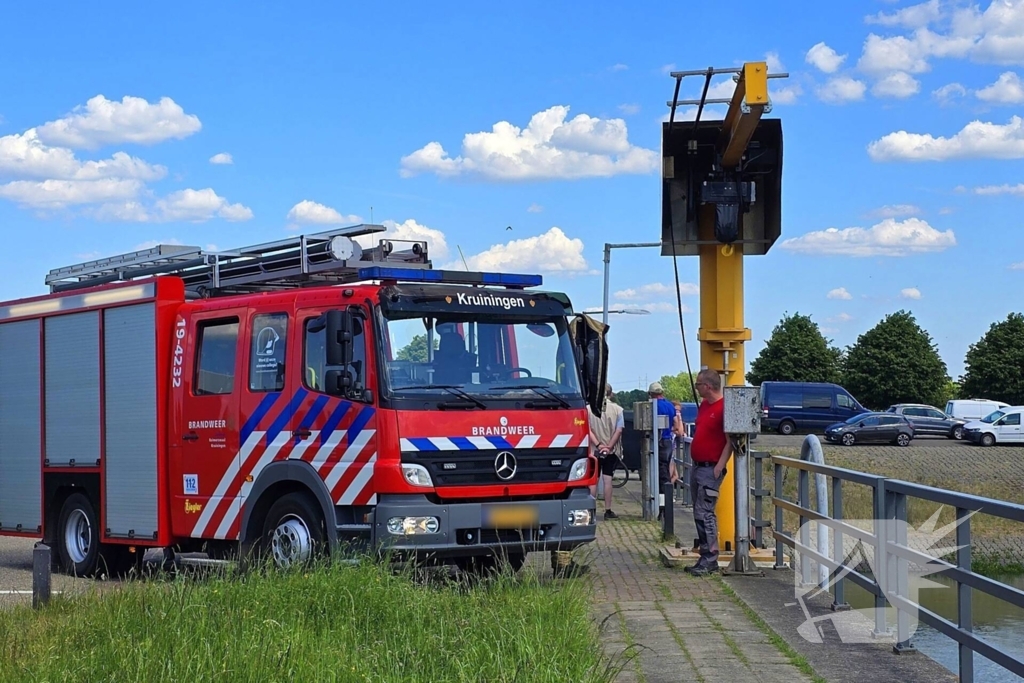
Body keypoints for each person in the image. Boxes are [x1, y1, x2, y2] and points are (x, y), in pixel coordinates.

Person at [685, 368, 733, 576]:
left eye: (698, 385)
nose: (696, 388)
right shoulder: (705, 405)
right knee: (699, 511)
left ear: (708, 386)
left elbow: (731, 442)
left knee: (704, 512)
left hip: (710, 468)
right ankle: (705, 554)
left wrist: (719, 467)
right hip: (698, 465)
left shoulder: (724, 409)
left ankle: (710, 557)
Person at [588, 383, 624, 519]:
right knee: (607, 479)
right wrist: (608, 446)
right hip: (612, 451)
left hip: (593, 451)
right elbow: (619, 430)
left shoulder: (588, 409)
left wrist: (598, 445)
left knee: (593, 480)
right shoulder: (618, 410)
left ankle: (590, 510)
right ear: (610, 394)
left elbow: (588, 429)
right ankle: (608, 510)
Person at [648, 382, 676, 520]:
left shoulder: (653, 406)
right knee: (665, 471)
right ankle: (664, 505)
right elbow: (675, 423)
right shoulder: (670, 406)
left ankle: (663, 507)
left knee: (660, 474)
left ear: (651, 394)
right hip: (668, 441)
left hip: (658, 442)